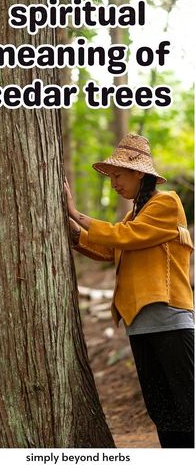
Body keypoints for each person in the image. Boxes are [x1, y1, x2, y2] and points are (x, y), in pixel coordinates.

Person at [64, 133, 194, 449]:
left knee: (188, 407)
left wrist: (77, 213)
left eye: (118, 175)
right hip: (139, 325)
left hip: (170, 321)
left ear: (139, 173)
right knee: (163, 410)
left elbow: (127, 236)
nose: (114, 184)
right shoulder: (131, 216)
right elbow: (111, 250)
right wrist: (74, 232)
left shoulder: (166, 203)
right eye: (111, 178)